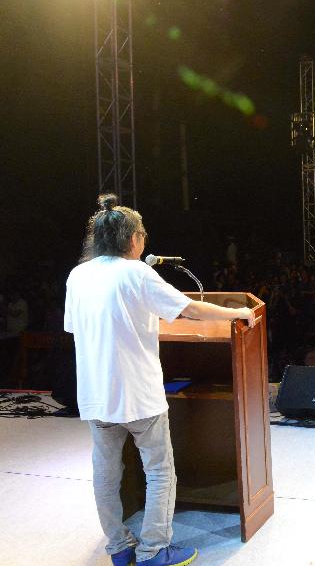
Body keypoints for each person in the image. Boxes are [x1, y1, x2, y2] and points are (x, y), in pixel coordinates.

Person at [64, 194, 255, 566]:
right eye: (142, 236)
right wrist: (240, 312)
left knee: (105, 473)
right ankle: (154, 550)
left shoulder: (78, 275)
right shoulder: (135, 271)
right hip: (138, 396)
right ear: (132, 238)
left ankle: (119, 547)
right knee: (159, 471)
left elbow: (76, 328)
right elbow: (191, 308)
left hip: (95, 396)